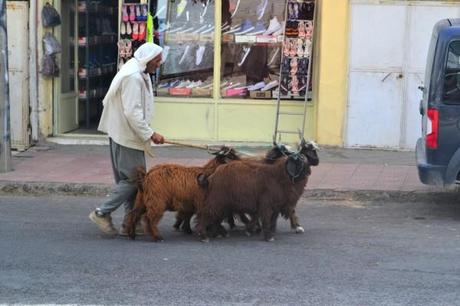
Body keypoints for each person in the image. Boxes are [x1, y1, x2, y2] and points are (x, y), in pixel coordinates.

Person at [89, 42, 165, 236]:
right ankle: (102, 212)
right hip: (127, 136)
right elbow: (133, 113)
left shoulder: (138, 72)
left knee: (133, 181)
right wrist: (150, 133)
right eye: (157, 60)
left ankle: (130, 222)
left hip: (125, 134)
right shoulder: (133, 78)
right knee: (134, 180)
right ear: (148, 59)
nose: (159, 63)